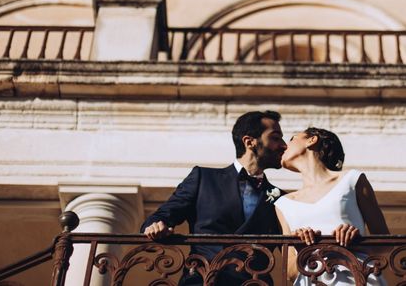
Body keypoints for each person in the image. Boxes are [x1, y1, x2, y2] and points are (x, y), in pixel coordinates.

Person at [141, 110, 287, 285]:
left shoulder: (279, 196)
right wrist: (156, 226)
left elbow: (294, 248)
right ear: (250, 142)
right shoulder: (203, 178)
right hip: (203, 280)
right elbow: (160, 217)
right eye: (275, 138)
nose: (284, 145)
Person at [275, 127, 390, 286]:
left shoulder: (352, 180)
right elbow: (290, 274)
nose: (283, 146)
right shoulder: (283, 204)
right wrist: (302, 251)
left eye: (292, 139)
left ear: (312, 140)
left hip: (356, 279)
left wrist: (357, 241)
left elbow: (385, 244)